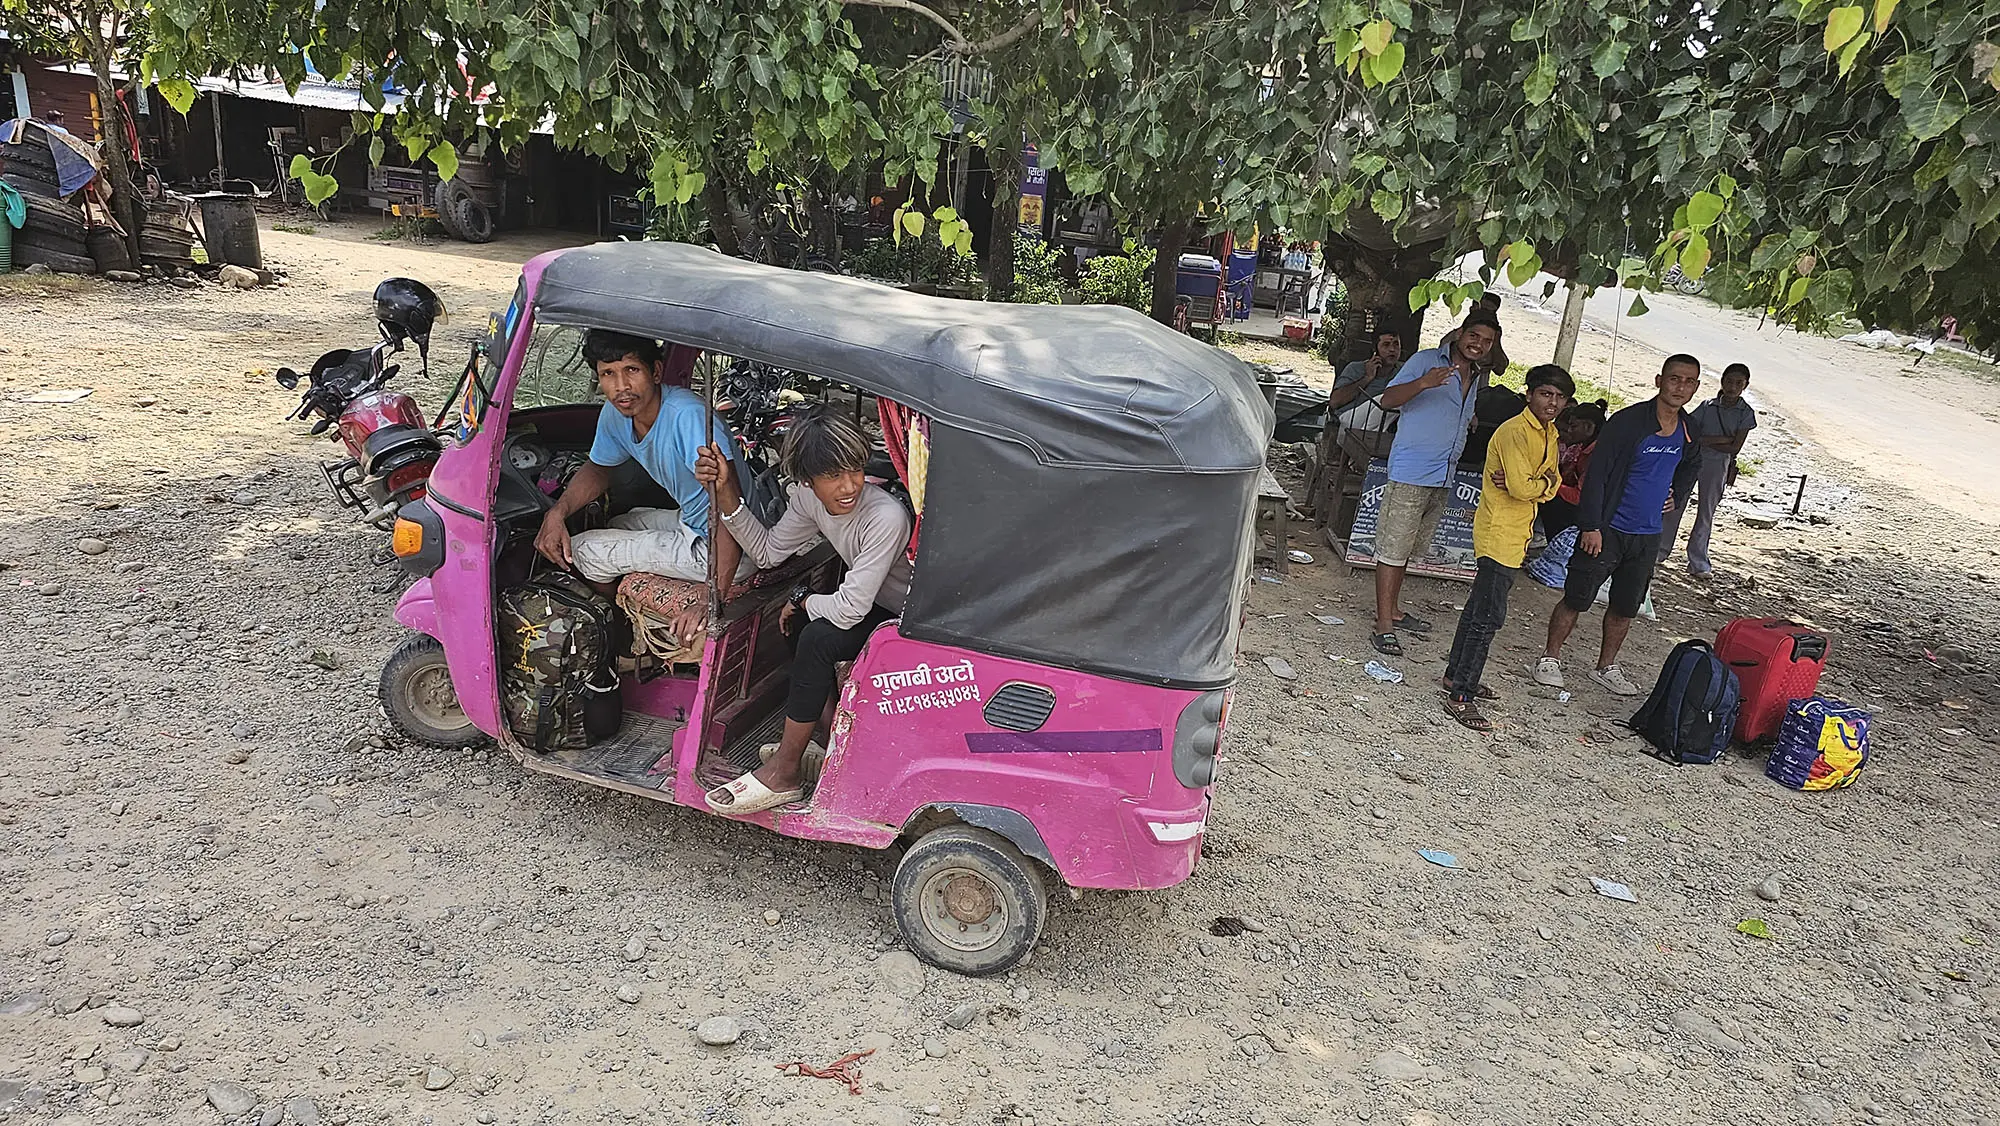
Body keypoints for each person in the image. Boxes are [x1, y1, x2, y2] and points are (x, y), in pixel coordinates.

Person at [693, 409, 913, 816]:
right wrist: (726, 492)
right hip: (875, 605)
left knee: (816, 635)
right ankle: (830, 739)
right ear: (808, 480)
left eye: (855, 470)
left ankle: (785, 771)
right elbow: (767, 552)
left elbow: (849, 611)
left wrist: (803, 598)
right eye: (833, 476)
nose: (849, 486)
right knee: (799, 623)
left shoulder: (885, 517)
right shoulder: (810, 499)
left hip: (909, 620)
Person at [534, 331, 752, 611]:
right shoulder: (616, 413)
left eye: (632, 370)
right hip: (694, 522)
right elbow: (598, 468)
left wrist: (712, 596)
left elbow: (730, 508)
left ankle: (618, 628)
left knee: (582, 551)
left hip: (731, 545)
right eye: (608, 373)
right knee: (620, 523)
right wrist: (556, 513)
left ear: (656, 372)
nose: (621, 386)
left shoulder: (688, 417)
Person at [1536, 355, 1702, 695]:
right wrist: (1591, 525)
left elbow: (1691, 465)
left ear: (1696, 387)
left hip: (1647, 535)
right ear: (1659, 381)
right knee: (1577, 596)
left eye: (1688, 382)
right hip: (1609, 528)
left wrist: (1677, 494)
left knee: (1626, 606)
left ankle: (1606, 667)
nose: (1680, 387)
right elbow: (1597, 475)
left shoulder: (1689, 429)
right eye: (1674, 379)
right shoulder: (1628, 422)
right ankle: (1549, 658)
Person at [1441, 364, 1574, 731]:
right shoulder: (1516, 431)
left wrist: (1539, 483)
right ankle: (1461, 695)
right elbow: (1521, 487)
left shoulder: (1548, 433)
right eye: (1545, 394)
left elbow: (1548, 481)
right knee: (1488, 616)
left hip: (1517, 534)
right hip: (1499, 533)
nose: (1552, 402)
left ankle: (1456, 675)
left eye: (1559, 397)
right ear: (1529, 394)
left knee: (1478, 609)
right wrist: (1541, 484)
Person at [1369, 309, 1501, 657]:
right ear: (1460, 333)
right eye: (1474, 336)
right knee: (1393, 550)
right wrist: (1423, 383)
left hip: (1443, 474)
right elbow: (1387, 400)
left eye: (1487, 341)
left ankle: (1394, 611)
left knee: (1409, 549)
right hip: (1412, 471)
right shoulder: (1426, 361)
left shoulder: (1475, 375)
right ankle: (1384, 625)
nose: (1479, 345)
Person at [1659, 363, 1756, 578]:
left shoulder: (1746, 413)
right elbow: (1693, 435)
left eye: (1738, 383)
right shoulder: (1708, 406)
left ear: (1745, 385)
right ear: (1722, 381)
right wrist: (1721, 439)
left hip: (1718, 464)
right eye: (1729, 381)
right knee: (1676, 503)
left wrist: (1707, 441)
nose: (1732, 387)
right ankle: (1660, 551)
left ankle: (1698, 562)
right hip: (1693, 460)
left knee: (1706, 512)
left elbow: (1735, 447)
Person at [1539, 399, 1609, 538]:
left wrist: (1552, 484)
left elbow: (1579, 497)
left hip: (1595, 513)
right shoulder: (1581, 447)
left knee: (1549, 501)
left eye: (1573, 426)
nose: (1569, 431)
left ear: (1588, 427)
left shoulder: (1598, 455)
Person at [1327, 327, 1403, 417]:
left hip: (1383, 422)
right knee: (1382, 400)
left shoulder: (1403, 370)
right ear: (1375, 350)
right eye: (1386, 345)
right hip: (1349, 418)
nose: (1392, 349)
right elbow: (1334, 402)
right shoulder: (1356, 368)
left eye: (1396, 344)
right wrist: (1367, 378)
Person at [1439, 292, 1511, 375]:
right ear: (1472, 309)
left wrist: (1496, 339)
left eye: (1491, 313)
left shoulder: (1489, 342)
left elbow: (1500, 369)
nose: (1486, 316)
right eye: (1483, 310)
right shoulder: (1452, 338)